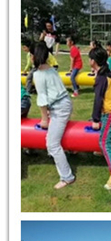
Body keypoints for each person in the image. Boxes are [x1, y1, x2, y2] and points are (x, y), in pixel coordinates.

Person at [32, 42, 75, 189]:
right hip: (64, 103)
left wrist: (45, 119)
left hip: (60, 108)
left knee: (52, 144)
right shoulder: (51, 69)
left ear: (33, 56)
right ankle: (67, 152)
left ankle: (67, 177)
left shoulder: (38, 74)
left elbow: (42, 99)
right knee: (52, 141)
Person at [89, 45, 111, 191]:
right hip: (110, 110)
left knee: (104, 141)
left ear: (93, 61)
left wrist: (96, 120)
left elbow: (98, 99)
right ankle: (101, 151)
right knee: (102, 137)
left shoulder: (102, 77)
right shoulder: (106, 72)